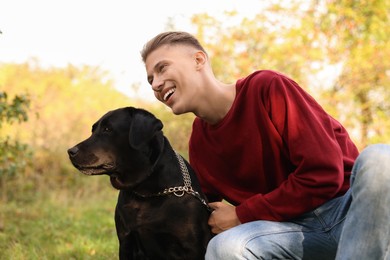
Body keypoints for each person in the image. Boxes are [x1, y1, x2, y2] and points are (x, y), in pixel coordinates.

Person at [140, 31, 390, 259]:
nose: (156, 84)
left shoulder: (266, 88)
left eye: (162, 69)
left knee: (381, 159)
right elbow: (207, 219)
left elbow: (323, 175)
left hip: (351, 214)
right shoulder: (199, 143)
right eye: (151, 79)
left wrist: (241, 214)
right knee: (225, 248)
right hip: (287, 232)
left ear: (198, 60)